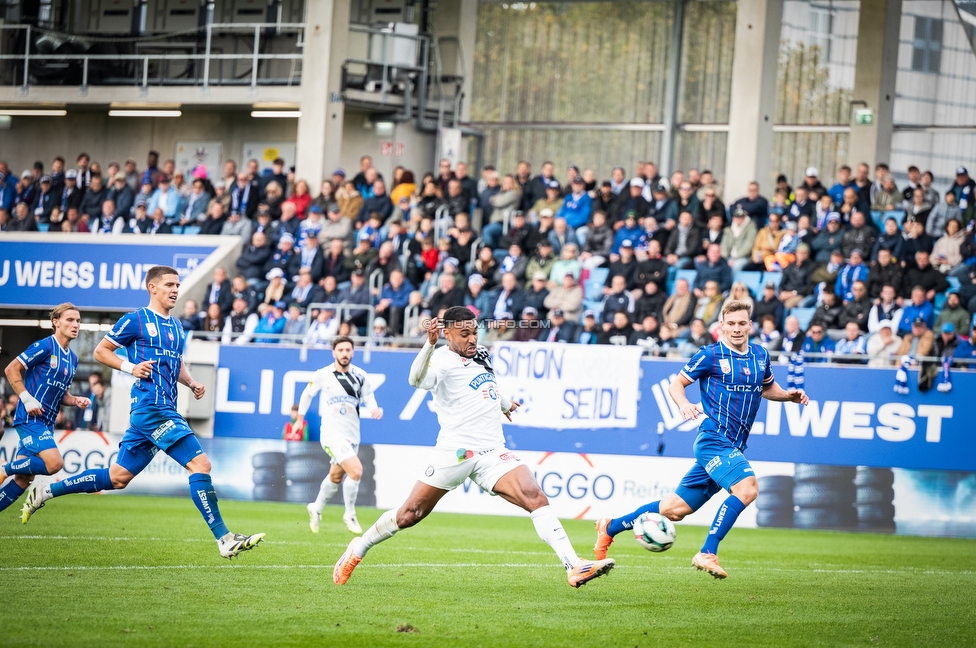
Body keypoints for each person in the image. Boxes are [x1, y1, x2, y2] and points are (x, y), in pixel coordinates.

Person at [332, 307, 616, 588]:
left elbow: (483, 384)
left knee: (534, 495)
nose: (472, 339)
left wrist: (504, 403)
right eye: (464, 333)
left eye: (475, 332)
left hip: (493, 450)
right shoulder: (441, 359)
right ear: (447, 334)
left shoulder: (480, 355)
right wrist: (429, 346)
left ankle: (573, 565)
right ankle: (358, 548)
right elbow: (416, 380)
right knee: (410, 514)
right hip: (455, 452)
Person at [20, 266, 265, 559]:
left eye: (177, 285)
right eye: (169, 284)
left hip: (161, 410)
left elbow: (176, 361)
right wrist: (130, 367)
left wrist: (190, 382)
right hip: (152, 408)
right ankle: (224, 539)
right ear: (153, 288)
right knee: (201, 465)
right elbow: (101, 351)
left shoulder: (176, 326)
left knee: (118, 477)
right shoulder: (136, 319)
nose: (175, 289)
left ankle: (45, 492)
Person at [593, 301, 808, 579]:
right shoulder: (710, 355)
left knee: (674, 510)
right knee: (747, 488)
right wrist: (683, 404)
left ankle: (610, 527)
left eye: (742, 323)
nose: (737, 328)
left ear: (750, 326)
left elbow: (767, 388)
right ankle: (707, 551)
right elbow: (676, 384)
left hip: (733, 445)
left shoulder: (760, 355)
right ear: (721, 326)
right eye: (730, 323)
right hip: (713, 440)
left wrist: (787, 395)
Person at [0, 304, 91, 514]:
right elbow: (11, 368)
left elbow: (61, 394)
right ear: (56, 322)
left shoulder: (73, 358)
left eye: (78, 320)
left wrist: (75, 400)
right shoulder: (45, 346)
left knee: (23, 480)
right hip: (30, 420)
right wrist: (26, 398)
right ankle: (4, 467)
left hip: (46, 424)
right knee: (54, 464)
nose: (75, 324)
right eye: (70, 320)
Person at [296, 336, 382, 535]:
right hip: (331, 434)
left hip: (352, 434)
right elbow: (307, 394)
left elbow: (368, 396)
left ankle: (316, 507)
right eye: (341, 350)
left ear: (353, 352)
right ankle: (349, 514)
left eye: (348, 350)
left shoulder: (361, 376)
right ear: (333, 352)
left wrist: (375, 409)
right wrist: (300, 419)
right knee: (357, 471)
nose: (344, 354)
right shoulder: (323, 375)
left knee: (336, 476)